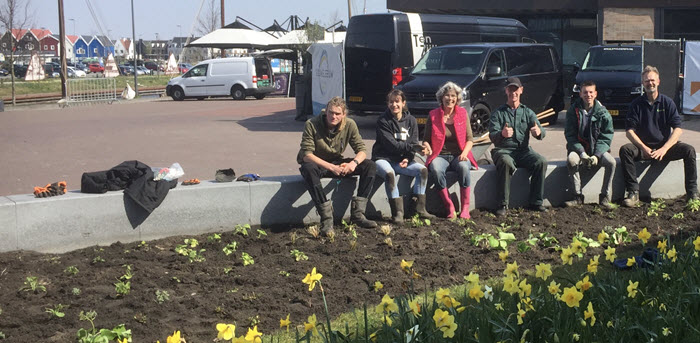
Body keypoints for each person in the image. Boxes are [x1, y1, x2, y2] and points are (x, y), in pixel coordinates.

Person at [297, 96, 378, 236]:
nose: (333, 116)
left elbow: (362, 151)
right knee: (308, 169)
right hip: (316, 163)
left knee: (370, 166)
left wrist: (353, 163)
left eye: (337, 114)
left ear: (343, 114)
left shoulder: (350, 124)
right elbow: (307, 155)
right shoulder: (312, 124)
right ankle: (327, 220)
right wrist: (331, 168)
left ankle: (358, 214)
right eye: (330, 112)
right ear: (325, 111)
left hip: (336, 162)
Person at [619, 65, 698, 207]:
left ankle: (692, 194)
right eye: (647, 81)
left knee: (689, 150)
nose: (650, 83)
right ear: (643, 84)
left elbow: (678, 129)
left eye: (652, 80)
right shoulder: (636, 105)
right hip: (643, 150)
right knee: (625, 150)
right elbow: (629, 131)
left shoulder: (667, 103)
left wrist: (665, 148)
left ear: (658, 81)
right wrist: (643, 148)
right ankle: (633, 193)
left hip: (664, 149)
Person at [372, 89, 435, 224]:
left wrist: (408, 158)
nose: (394, 105)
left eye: (397, 101)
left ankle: (419, 209)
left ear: (403, 103)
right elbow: (392, 145)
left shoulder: (411, 120)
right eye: (391, 102)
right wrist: (414, 148)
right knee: (389, 174)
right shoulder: (382, 121)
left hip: (402, 160)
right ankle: (398, 213)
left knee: (422, 170)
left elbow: (413, 141)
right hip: (383, 158)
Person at [489, 77, 547, 216]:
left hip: (523, 151)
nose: (513, 92)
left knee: (541, 162)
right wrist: (502, 134)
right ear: (506, 91)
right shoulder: (498, 113)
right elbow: (492, 135)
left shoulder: (527, 112)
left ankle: (536, 202)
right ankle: (503, 204)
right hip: (503, 150)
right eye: (510, 89)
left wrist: (538, 132)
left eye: (515, 89)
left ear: (521, 90)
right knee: (506, 162)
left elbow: (540, 130)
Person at [422, 82, 478, 219]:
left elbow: (470, 139)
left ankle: (465, 207)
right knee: (435, 169)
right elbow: (426, 139)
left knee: (464, 168)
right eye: (447, 95)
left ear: (457, 99)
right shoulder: (433, 115)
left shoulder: (463, 113)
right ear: (441, 98)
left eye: (453, 96)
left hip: (459, 154)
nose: (450, 98)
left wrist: (464, 154)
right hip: (440, 155)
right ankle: (449, 205)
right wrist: (427, 146)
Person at [563, 80, 615, 209]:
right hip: (579, 150)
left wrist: (597, 155)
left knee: (612, 163)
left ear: (596, 94)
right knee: (571, 160)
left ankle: (605, 197)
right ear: (580, 94)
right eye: (585, 92)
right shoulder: (573, 111)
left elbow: (606, 137)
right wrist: (582, 153)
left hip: (597, 151)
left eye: (591, 92)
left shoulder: (603, 113)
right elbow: (570, 136)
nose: (588, 95)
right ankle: (577, 196)